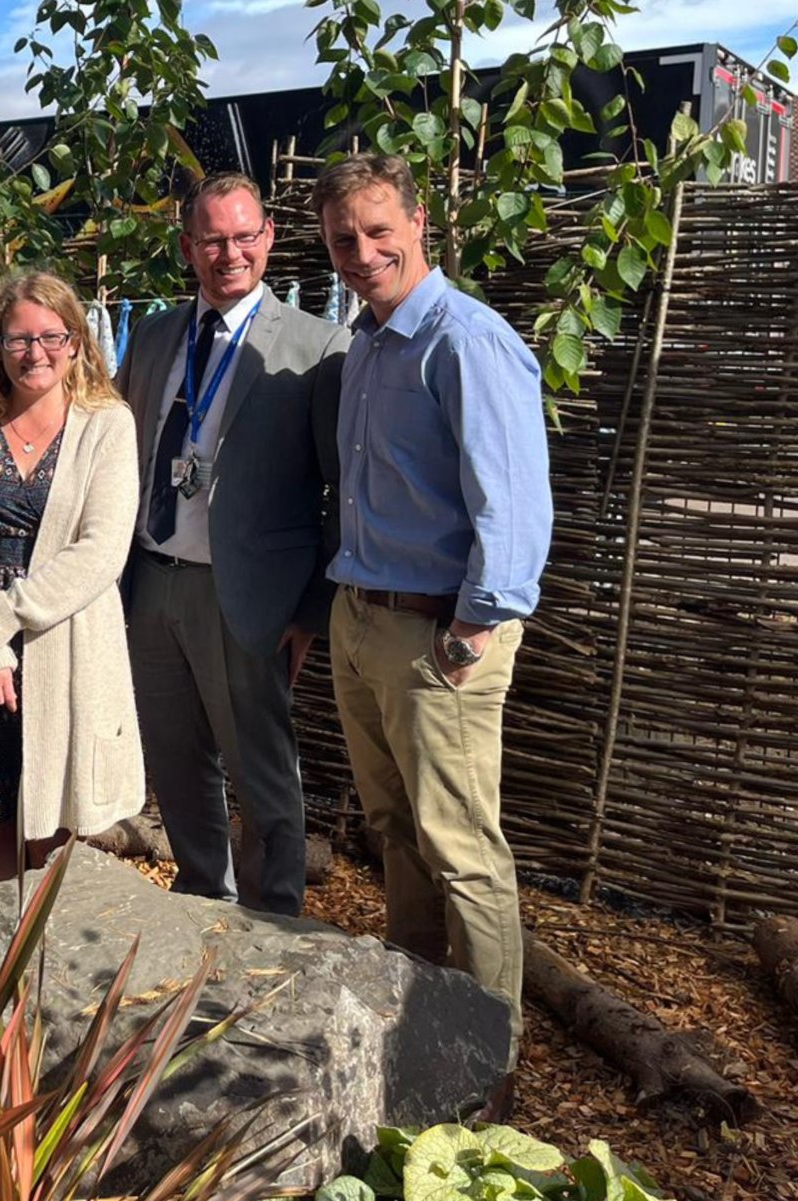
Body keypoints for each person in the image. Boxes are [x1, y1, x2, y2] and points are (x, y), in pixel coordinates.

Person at [314, 152, 552, 1113]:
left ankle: (488, 1062)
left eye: (379, 230)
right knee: (393, 831)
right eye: (343, 238)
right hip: (363, 617)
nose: (363, 251)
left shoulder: (465, 340)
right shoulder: (369, 342)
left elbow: (516, 502)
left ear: (420, 222)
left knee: (462, 848)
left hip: (437, 638)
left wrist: (474, 626)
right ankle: (415, 1008)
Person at [114, 172, 349, 917]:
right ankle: (197, 899)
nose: (230, 253)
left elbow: (341, 492)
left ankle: (272, 921)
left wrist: (312, 610)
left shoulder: (318, 348)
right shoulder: (153, 337)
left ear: (269, 238)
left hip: (247, 594)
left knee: (262, 773)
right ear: (188, 247)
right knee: (177, 762)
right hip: (153, 582)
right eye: (213, 239)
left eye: (245, 236)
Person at [0, 271, 145, 881]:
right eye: (18, 339)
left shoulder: (107, 425)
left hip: (62, 640)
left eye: (51, 336)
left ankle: (47, 965)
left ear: (76, 343)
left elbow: (101, 551)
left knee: (55, 816)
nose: (34, 353)